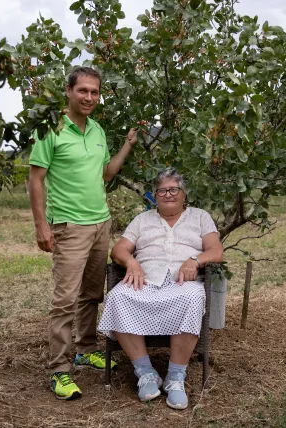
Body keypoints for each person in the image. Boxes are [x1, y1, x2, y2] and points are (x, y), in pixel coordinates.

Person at [29, 67, 138, 400]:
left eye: (94, 92)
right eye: (83, 91)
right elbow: (35, 180)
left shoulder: (97, 129)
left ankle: (85, 348)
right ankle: (59, 371)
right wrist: (41, 226)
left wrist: (127, 146)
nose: (89, 97)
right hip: (69, 227)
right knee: (64, 302)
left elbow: (105, 174)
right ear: (69, 91)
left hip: (100, 224)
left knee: (92, 294)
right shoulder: (50, 130)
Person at [98, 168, 224, 410]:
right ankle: (145, 372)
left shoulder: (200, 217)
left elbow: (216, 251)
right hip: (145, 281)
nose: (168, 194)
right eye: (162, 190)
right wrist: (132, 262)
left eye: (174, 189)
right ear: (155, 196)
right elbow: (119, 250)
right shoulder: (142, 220)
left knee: (193, 297)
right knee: (118, 297)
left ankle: (175, 378)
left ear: (184, 193)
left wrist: (195, 261)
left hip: (182, 283)